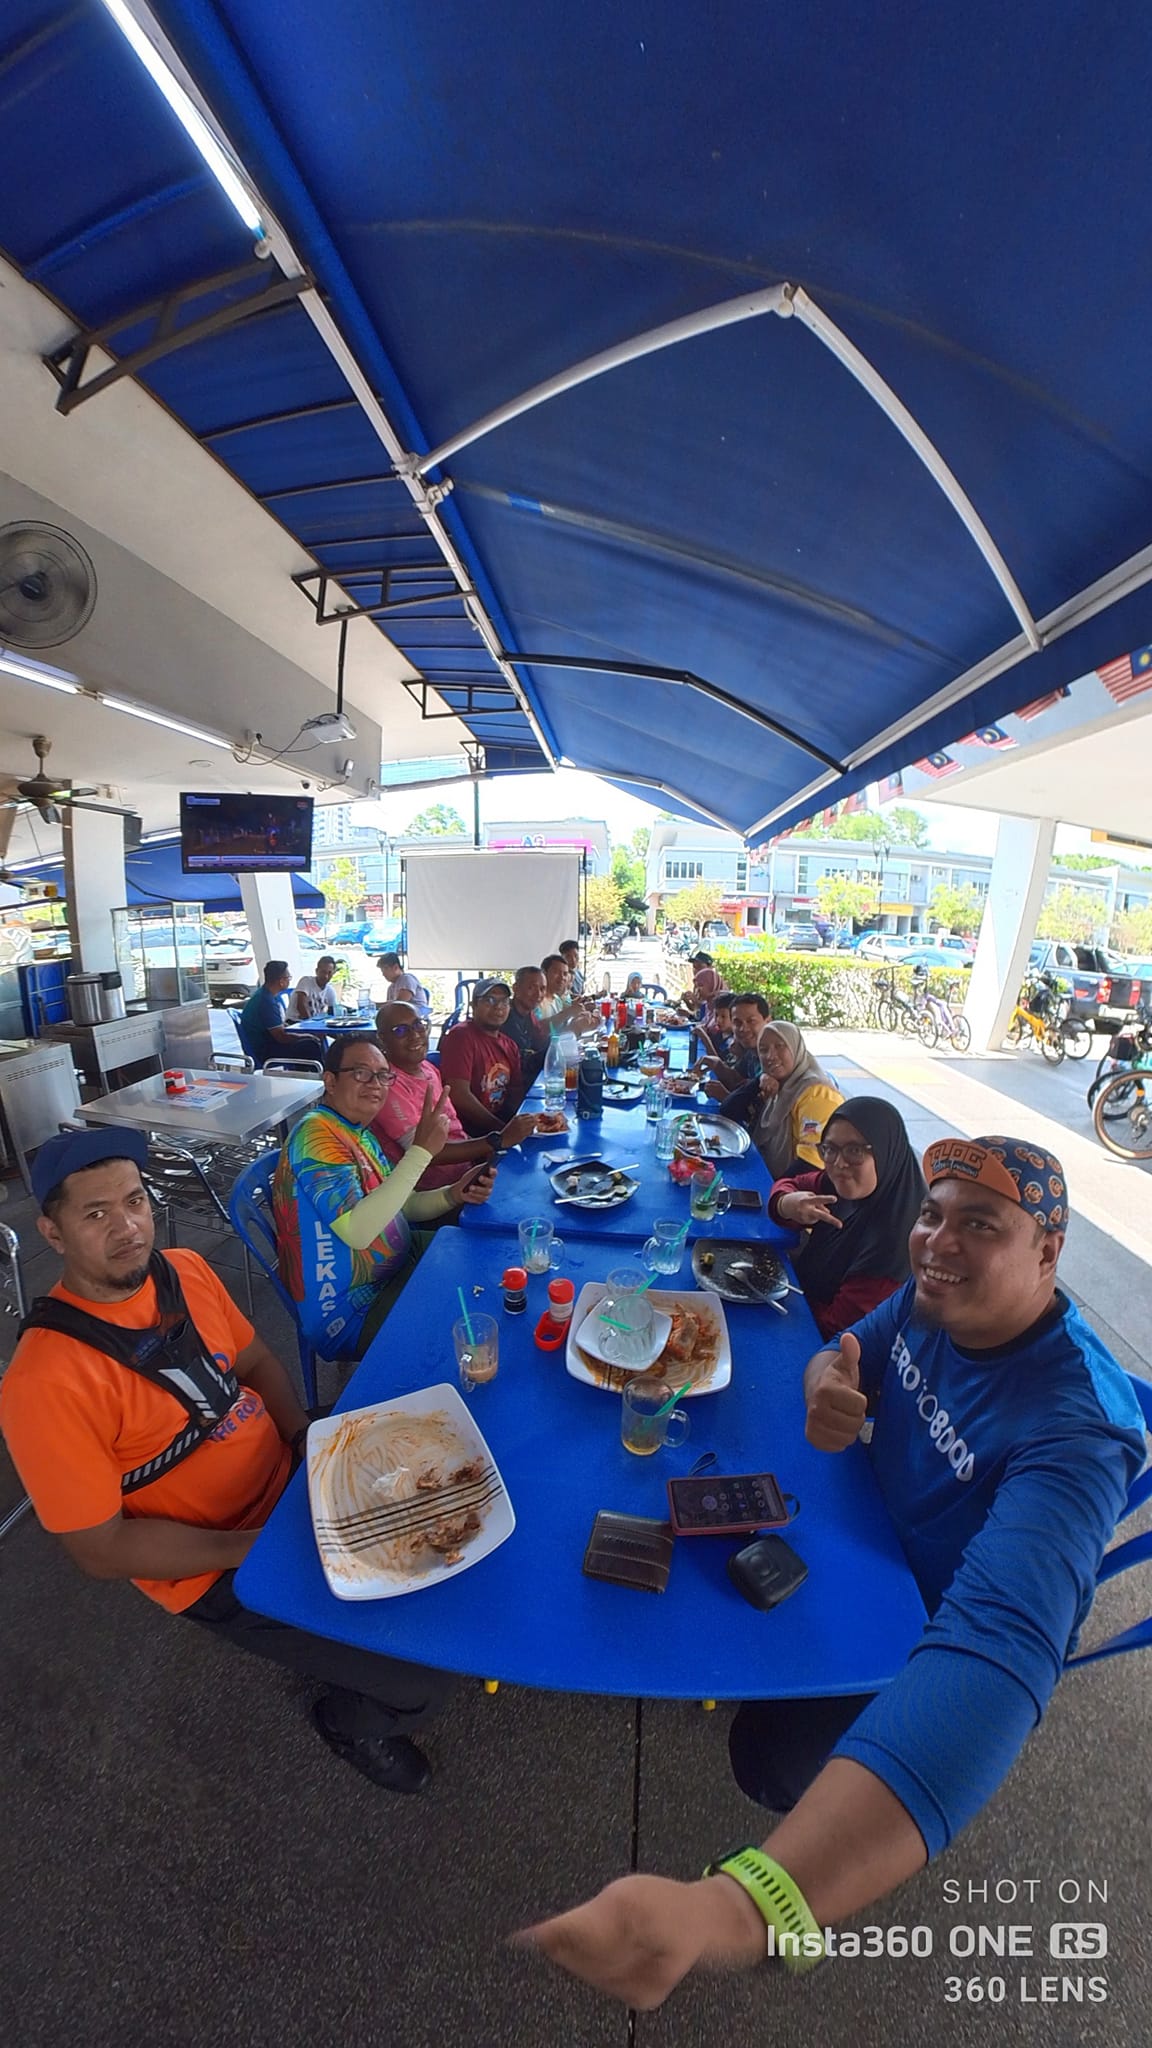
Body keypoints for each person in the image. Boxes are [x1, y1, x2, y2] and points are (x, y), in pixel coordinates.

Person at [522, 1135, 1147, 2006]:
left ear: (1049, 1252)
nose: (937, 1242)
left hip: (915, 1623)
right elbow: (842, 1349)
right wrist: (823, 1386)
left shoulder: (1079, 1431)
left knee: (766, 1759)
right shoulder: (932, 1297)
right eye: (931, 1215)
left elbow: (1001, 1646)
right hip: (849, 1529)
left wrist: (747, 1906)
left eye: (980, 1225)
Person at [0, 1128, 453, 1796]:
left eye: (135, 1201)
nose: (127, 1227)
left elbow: (256, 1361)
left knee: (440, 1484)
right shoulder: (43, 1382)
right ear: (52, 1233)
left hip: (287, 1475)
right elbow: (101, 1548)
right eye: (95, 1214)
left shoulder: (184, 1269)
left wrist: (302, 1441)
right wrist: (264, 1545)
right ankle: (347, 1721)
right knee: (423, 1680)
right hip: (217, 1556)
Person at [273, 1035, 495, 1358]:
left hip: (397, 1261)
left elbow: (402, 1205)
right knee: (463, 1322)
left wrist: (453, 1194)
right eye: (361, 1073)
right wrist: (421, 1151)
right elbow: (357, 1232)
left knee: (480, 1256)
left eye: (382, 1075)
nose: (375, 1084)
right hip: (352, 1310)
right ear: (330, 1081)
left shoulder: (357, 1130)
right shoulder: (316, 1134)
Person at [769, 1097, 925, 1340]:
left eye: (855, 1151)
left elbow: (837, 1329)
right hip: (798, 1300)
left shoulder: (893, 1245)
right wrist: (786, 1204)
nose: (839, 1163)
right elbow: (791, 1184)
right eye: (829, 1149)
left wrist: (769, 1295)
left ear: (885, 1152)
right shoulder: (838, 1185)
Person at [372, 1001, 540, 1187]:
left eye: (418, 1024)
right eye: (400, 1031)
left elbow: (454, 1129)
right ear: (382, 1039)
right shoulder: (387, 1086)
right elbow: (425, 1153)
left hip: (464, 1170)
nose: (415, 1035)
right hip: (435, 1190)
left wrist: (486, 1151)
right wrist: (498, 1140)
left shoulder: (427, 1068)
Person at [750, 1021, 843, 1175]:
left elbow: (811, 1165)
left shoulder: (816, 1094)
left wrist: (777, 1188)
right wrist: (760, 1079)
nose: (770, 1056)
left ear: (795, 1047)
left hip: (798, 1185)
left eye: (780, 1046)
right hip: (772, 1174)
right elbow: (730, 1109)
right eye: (763, 1050)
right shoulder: (783, 1084)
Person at [439, 980, 532, 1135]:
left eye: (504, 1001)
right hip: (469, 1133)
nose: (498, 1007)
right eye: (490, 1000)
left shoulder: (510, 1045)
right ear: (474, 1005)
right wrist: (501, 1130)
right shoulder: (461, 1037)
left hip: (498, 1125)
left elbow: (515, 1092)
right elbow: (458, 1095)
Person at [239, 960, 325, 1067]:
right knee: (310, 1045)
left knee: (307, 1042)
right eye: (288, 978)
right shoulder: (266, 1002)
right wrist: (305, 1036)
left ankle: (307, 1072)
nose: (289, 981)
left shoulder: (264, 995)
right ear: (281, 981)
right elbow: (281, 1037)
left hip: (264, 1044)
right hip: (265, 1051)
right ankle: (317, 1074)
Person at [698, 991, 771, 1097]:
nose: (743, 1029)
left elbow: (764, 1106)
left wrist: (725, 1097)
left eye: (751, 1021)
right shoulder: (751, 1053)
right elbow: (737, 1080)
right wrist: (717, 1064)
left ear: (768, 1021)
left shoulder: (773, 1059)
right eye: (737, 1022)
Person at [501, 965, 552, 1079]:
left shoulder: (528, 1013)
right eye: (531, 988)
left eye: (542, 989)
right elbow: (524, 1063)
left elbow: (540, 1042)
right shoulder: (505, 1017)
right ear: (516, 988)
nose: (538, 994)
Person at [537, 954, 594, 1029]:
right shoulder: (536, 1001)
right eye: (556, 972)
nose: (562, 978)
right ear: (544, 973)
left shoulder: (557, 999)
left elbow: (559, 1029)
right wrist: (568, 1012)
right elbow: (537, 1029)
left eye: (565, 974)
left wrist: (578, 1019)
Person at [293, 953, 340, 1020]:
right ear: (316, 971)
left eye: (329, 973)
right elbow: (301, 1006)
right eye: (323, 972)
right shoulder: (306, 981)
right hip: (295, 1022)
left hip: (314, 1023)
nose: (326, 976)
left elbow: (332, 1012)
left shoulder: (330, 990)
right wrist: (310, 1022)